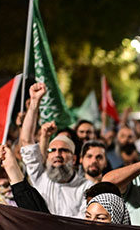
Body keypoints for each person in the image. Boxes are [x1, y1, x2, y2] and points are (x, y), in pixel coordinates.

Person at [19, 83, 92, 217]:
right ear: (47, 156)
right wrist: (35, 101)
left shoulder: (86, 188)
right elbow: (26, 140)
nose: (57, 154)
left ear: (74, 159)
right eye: (52, 150)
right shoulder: (39, 177)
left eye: (63, 150)